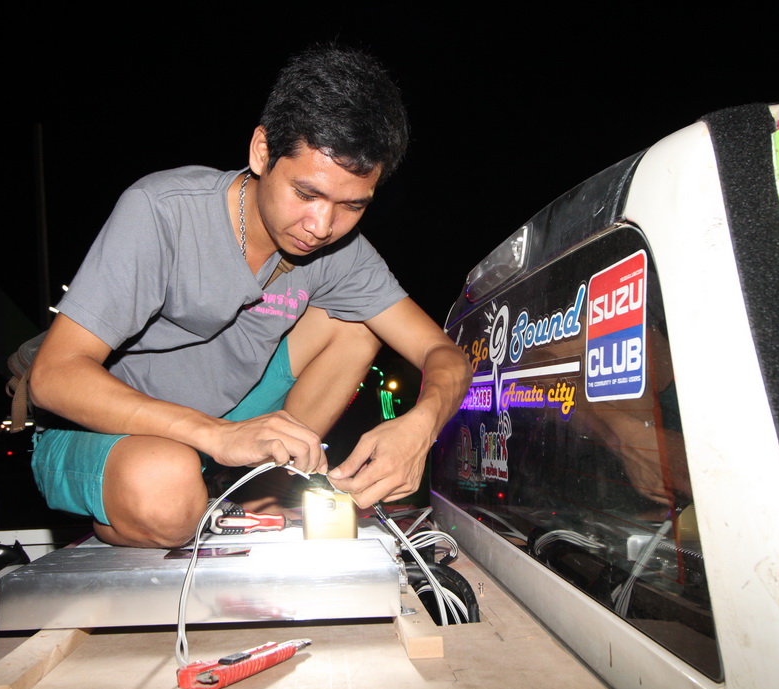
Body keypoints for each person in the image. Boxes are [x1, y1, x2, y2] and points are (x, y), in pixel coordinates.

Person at [27, 45, 471, 548]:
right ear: (262, 151)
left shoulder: (342, 252)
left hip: (229, 422)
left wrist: (420, 427)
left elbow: (445, 355)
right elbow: (53, 376)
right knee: (166, 487)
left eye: (351, 205)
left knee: (358, 321)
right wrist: (216, 436)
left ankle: (261, 491)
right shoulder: (162, 211)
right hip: (106, 430)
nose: (322, 226)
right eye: (306, 194)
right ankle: (175, 503)